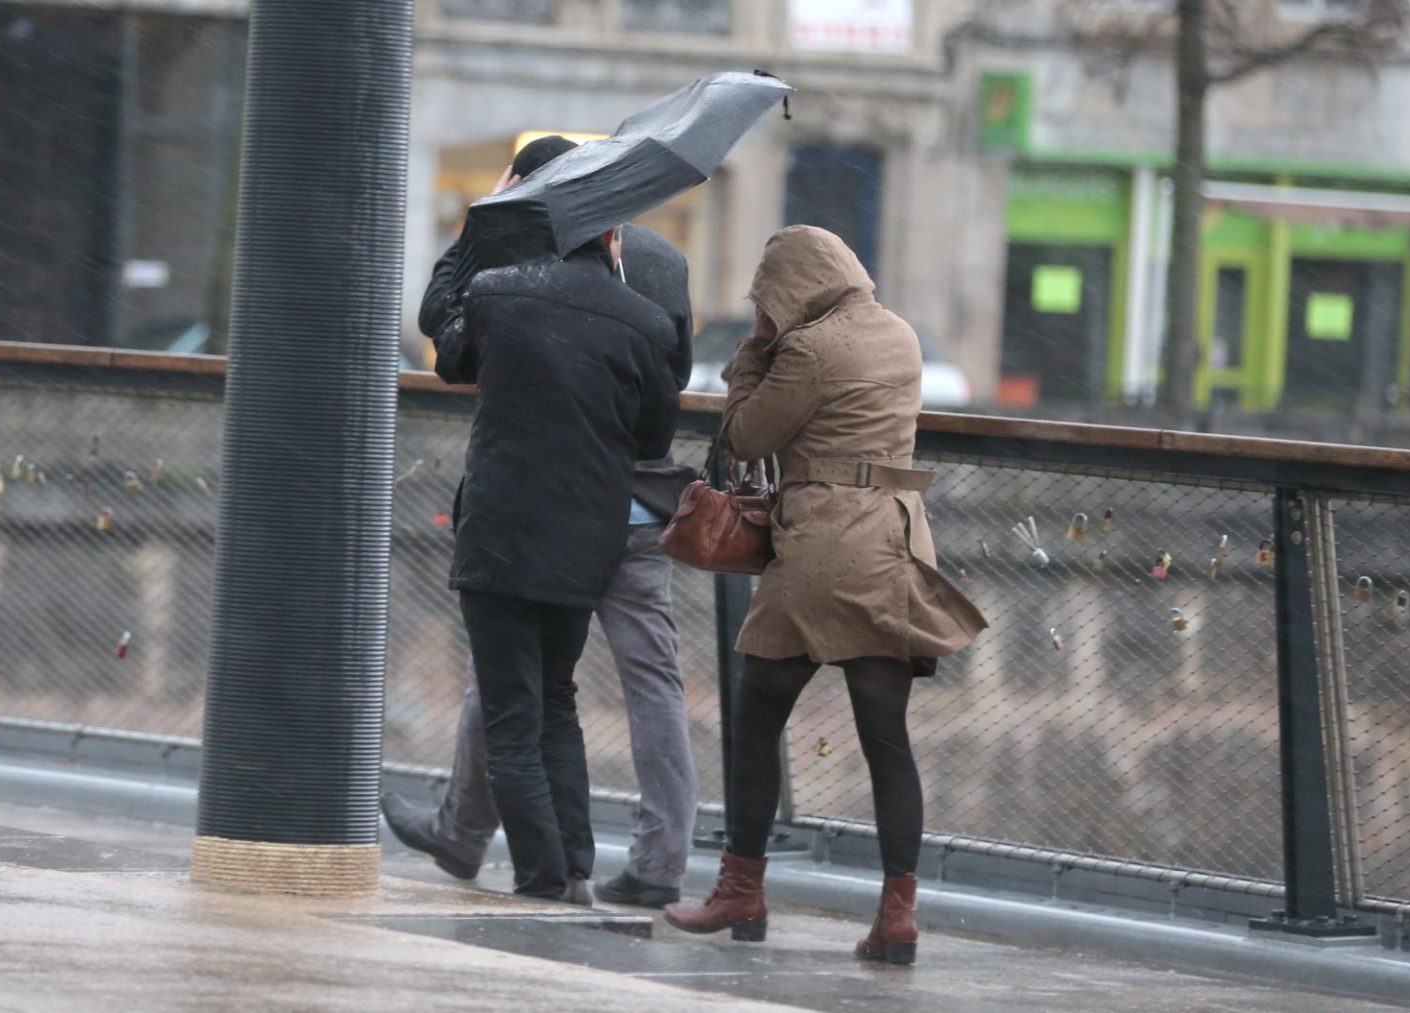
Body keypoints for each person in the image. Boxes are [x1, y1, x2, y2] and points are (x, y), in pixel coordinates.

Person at [383, 136, 696, 907]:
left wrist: (477, 226)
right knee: (596, 691)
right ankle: (637, 860)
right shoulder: (657, 274)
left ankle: (535, 869)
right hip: (614, 514)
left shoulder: (503, 279)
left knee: (507, 698)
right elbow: (664, 404)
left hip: (518, 515)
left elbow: (445, 340)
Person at [663, 226, 986, 963]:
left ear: (789, 289)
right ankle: (897, 913)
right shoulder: (900, 335)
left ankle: (740, 890)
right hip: (895, 544)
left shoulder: (807, 350)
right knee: (886, 739)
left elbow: (746, 438)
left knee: (756, 719)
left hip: (821, 550)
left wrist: (753, 351)